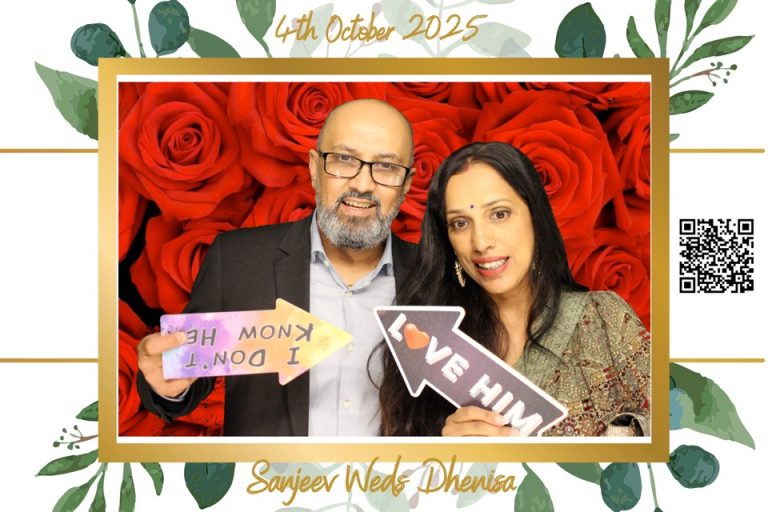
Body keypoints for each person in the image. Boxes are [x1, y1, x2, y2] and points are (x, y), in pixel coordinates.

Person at [137, 99, 416, 436]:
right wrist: (168, 383)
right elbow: (189, 374)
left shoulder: (436, 274)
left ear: (407, 183)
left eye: (386, 167)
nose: (362, 184)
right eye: (343, 160)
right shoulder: (237, 260)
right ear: (314, 168)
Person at [375, 141, 650, 437]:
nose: (481, 243)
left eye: (499, 214)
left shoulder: (603, 319)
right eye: (460, 223)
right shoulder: (431, 344)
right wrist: (445, 451)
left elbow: (677, 431)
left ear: (535, 216)